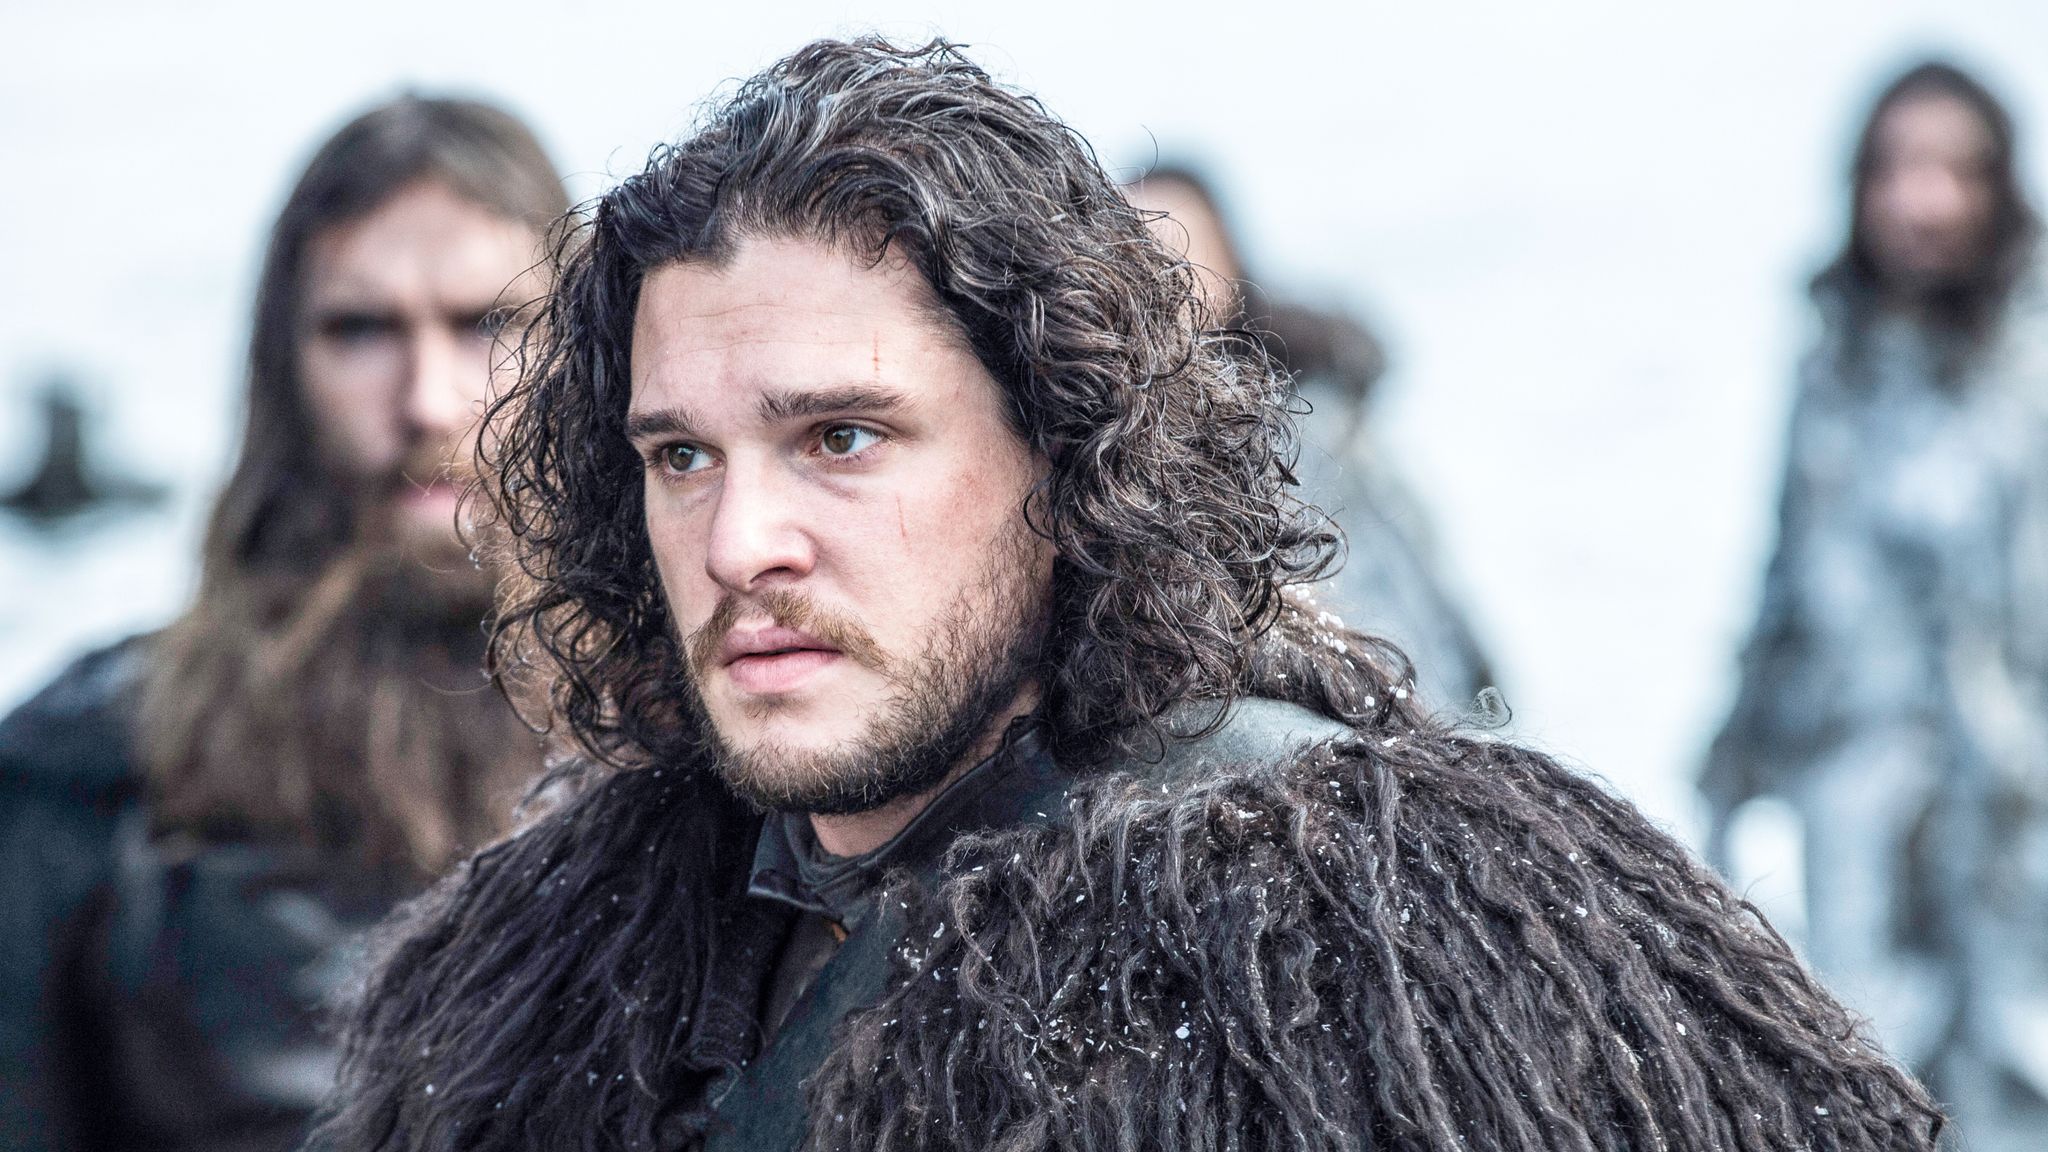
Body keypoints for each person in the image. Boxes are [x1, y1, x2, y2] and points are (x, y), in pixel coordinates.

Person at [317, 39, 1939, 1152]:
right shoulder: (564, 964)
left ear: (1060, 450)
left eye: (841, 438)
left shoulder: (1374, 924)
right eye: (681, 456)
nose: (740, 540)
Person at [0, 96, 568, 1151]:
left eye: (488, 323)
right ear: (284, 366)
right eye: (361, 329)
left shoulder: (703, 741)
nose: (429, 400)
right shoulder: (85, 768)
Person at [1703, 61, 2048, 1152]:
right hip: (1857, 818)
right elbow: (1784, 574)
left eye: (1954, 170)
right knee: (1868, 1096)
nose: (1922, 201)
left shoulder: (2035, 365)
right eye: (1895, 170)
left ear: (1999, 187)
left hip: (2022, 834)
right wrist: (1733, 755)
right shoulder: (1832, 363)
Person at [1124, 166, 1495, 710]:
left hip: (1379, 702)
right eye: (1143, 250)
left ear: (1228, 253)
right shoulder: (1123, 439)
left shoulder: (1310, 417)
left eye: (1183, 243)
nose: (1170, 273)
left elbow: (1395, 590)